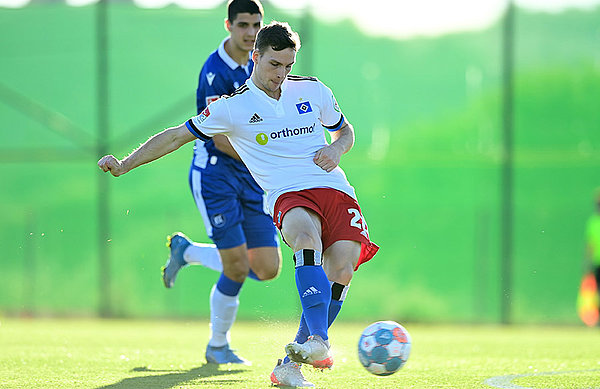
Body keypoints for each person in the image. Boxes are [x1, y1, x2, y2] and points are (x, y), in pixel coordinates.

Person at [98, 21, 379, 387]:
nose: (281, 74)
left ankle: (289, 366)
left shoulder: (314, 90)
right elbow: (174, 137)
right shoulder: (233, 107)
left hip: (334, 188)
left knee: (341, 271)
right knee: (304, 239)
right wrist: (124, 164)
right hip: (287, 193)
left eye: (288, 66)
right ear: (256, 57)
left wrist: (336, 148)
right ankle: (319, 341)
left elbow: (345, 130)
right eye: (274, 64)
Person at [158, 0, 282, 366]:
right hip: (216, 174)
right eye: (243, 24)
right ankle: (217, 346)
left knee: (267, 268)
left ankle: (189, 253)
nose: (250, 32)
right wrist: (266, 158)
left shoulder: (262, 62)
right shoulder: (215, 73)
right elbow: (218, 137)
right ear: (228, 25)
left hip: (252, 178)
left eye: (256, 25)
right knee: (237, 267)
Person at [585, 189, 600, 316]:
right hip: (597, 262)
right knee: (597, 292)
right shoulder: (593, 221)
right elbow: (590, 244)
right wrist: (587, 263)